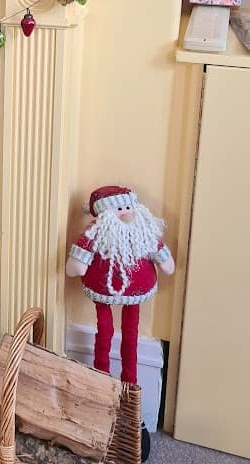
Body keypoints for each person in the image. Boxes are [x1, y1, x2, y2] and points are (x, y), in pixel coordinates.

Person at [66, 185, 175, 462]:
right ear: (104, 214)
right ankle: (102, 386)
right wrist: (77, 264)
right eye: (119, 208)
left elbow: (159, 250)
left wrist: (165, 261)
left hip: (135, 293)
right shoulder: (96, 232)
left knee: (131, 338)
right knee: (104, 334)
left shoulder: (142, 230)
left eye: (128, 207)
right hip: (103, 289)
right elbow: (78, 259)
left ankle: (129, 395)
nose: (126, 213)